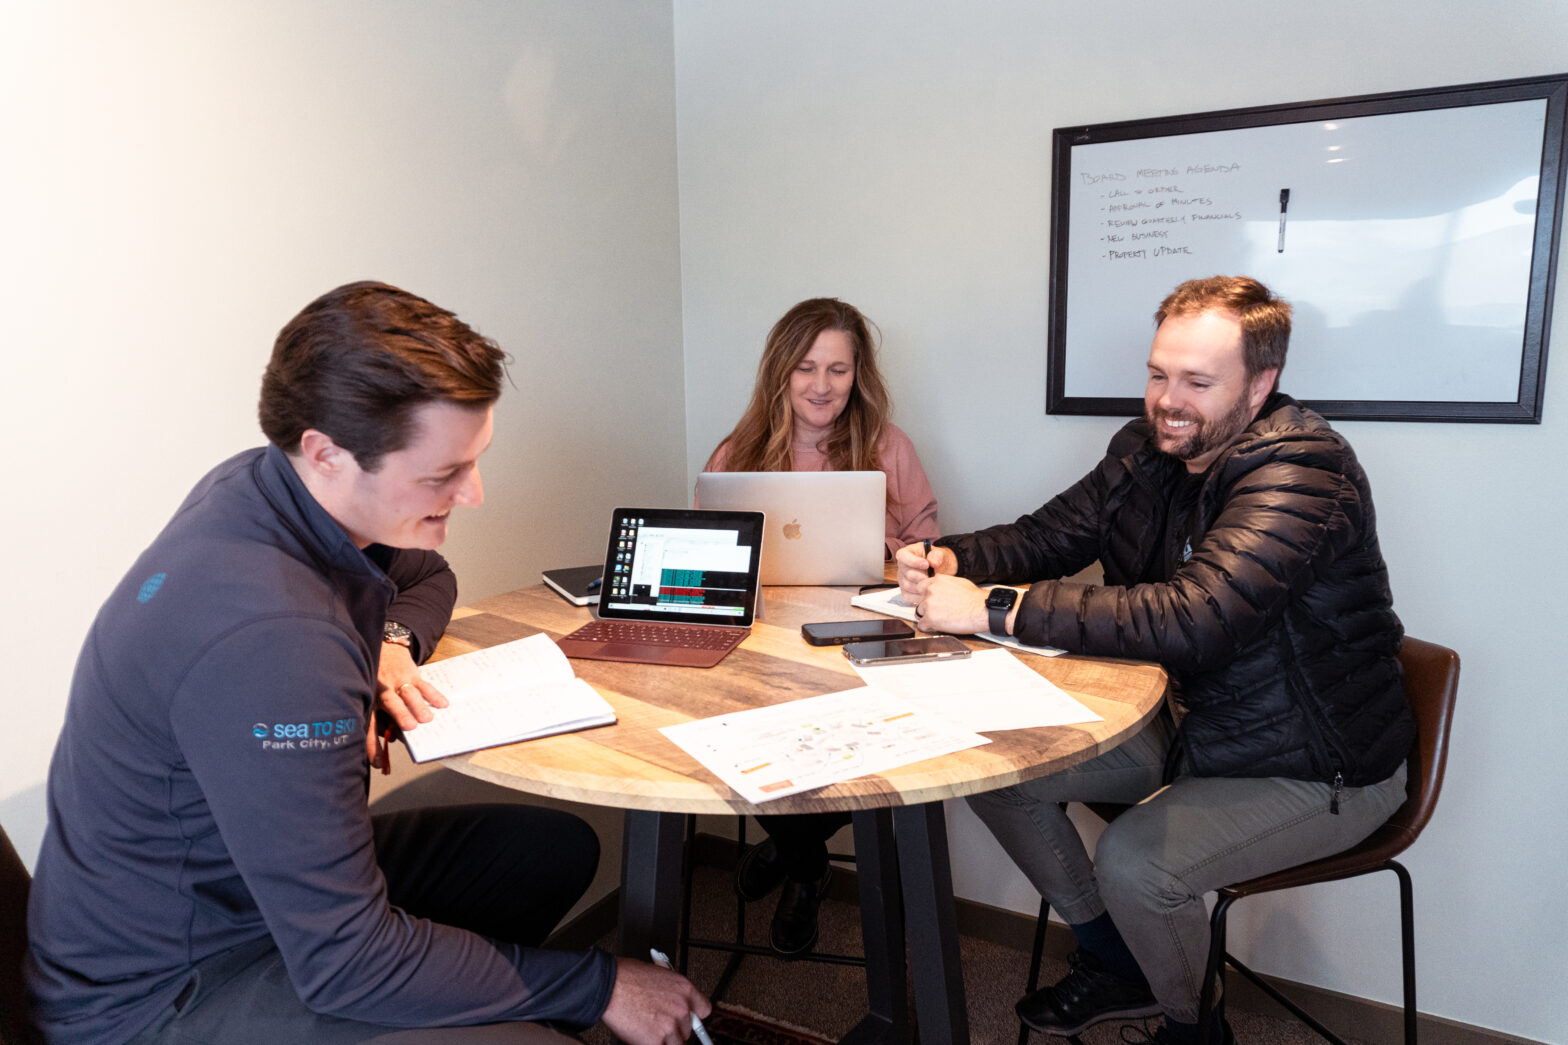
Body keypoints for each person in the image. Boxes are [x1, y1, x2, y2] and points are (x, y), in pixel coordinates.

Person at [26, 281, 710, 1045]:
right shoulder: (271, 634)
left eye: (474, 461)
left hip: (253, 894)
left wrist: (388, 645)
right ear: (325, 451)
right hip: (168, 989)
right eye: (442, 475)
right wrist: (600, 983)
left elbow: (424, 578)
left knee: (548, 850)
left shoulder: (268, 486)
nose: (473, 493)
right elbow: (346, 959)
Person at [896, 276, 1415, 1045]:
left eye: (1198, 382)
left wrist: (995, 606)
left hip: (1316, 760)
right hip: (1188, 724)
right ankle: (1122, 961)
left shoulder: (1306, 470)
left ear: (1261, 382)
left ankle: (1191, 1027)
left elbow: (1197, 617)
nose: (1168, 399)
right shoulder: (1147, 450)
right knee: (997, 772)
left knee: (1136, 862)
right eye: (1157, 373)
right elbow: (1049, 537)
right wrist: (947, 556)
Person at [703, 297, 939, 956]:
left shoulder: (888, 446)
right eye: (807, 367)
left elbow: (927, 542)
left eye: (838, 369)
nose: (822, 386)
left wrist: (910, 559)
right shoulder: (737, 451)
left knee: (857, 752)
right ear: (780, 371)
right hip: (763, 646)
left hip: (863, 642)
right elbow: (713, 555)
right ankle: (808, 867)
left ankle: (792, 856)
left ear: (858, 374)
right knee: (733, 741)